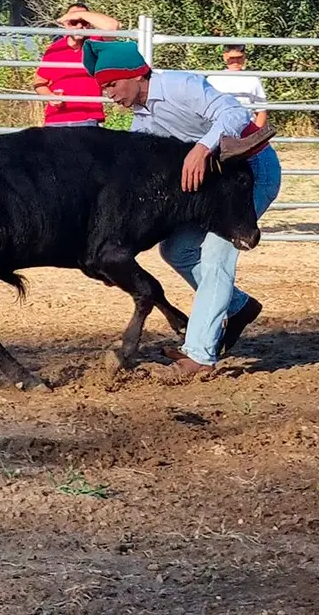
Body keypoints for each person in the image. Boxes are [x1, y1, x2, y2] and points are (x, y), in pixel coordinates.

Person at [82, 37, 282, 376]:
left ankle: (200, 355)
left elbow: (234, 112)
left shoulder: (180, 84)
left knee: (218, 254)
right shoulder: (141, 123)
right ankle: (237, 306)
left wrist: (202, 147)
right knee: (176, 250)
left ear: (135, 74)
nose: (110, 95)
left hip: (250, 171)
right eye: (105, 88)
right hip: (215, 182)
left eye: (113, 84)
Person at [31, 4, 116, 127]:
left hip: (88, 120)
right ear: (65, 24)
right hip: (55, 120)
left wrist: (78, 15)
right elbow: (39, 83)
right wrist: (50, 97)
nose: (79, 26)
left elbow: (112, 26)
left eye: (84, 22)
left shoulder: (96, 44)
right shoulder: (55, 50)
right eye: (74, 22)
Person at [205, 44, 268, 128]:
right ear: (224, 57)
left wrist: (255, 134)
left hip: (245, 128)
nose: (235, 61)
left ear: (244, 57)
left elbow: (261, 111)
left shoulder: (252, 79)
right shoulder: (213, 79)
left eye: (239, 57)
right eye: (231, 58)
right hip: (218, 128)